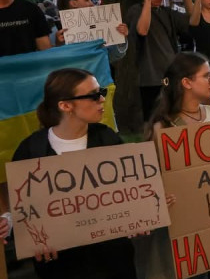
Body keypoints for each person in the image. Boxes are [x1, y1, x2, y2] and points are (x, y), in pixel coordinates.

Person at [7, 68, 135, 278]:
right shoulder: (31, 151)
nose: (102, 99)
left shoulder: (108, 138)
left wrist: (141, 215)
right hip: (61, 267)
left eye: (100, 92)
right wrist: (30, 237)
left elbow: (130, 192)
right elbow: (23, 211)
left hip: (114, 262)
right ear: (65, 106)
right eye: (94, 95)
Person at [143, 52, 210, 279]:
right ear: (186, 83)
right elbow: (151, 180)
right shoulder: (162, 128)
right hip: (187, 228)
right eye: (206, 76)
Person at [125, 0, 192, 121]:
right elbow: (142, 30)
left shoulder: (167, 12)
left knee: (174, 116)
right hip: (150, 78)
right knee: (153, 119)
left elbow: (193, 22)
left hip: (171, 75)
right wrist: (148, 0)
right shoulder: (136, 10)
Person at [55, 0, 129, 62]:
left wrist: (121, 38)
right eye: (87, 0)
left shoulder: (97, 28)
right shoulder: (61, 36)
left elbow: (114, 55)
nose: (92, 4)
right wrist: (59, 46)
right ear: (73, 3)